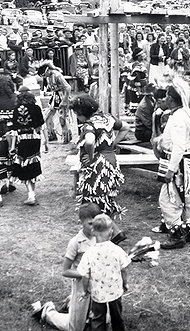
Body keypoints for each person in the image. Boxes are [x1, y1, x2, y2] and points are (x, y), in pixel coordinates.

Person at [154, 77, 190, 249]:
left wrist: (170, 170)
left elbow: (178, 146)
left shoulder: (177, 118)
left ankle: (177, 235)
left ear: (171, 99)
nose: (165, 98)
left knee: (168, 199)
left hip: (180, 163)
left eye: (168, 96)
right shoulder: (188, 113)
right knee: (189, 196)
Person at [40, 203, 103, 331]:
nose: (94, 227)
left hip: (98, 285)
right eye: (90, 223)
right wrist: (84, 273)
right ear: (81, 222)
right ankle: (48, 312)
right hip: (81, 287)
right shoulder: (75, 243)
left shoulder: (101, 237)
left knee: (102, 320)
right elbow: (65, 271)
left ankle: (71, 304)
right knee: (75, 328)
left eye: (96, 223)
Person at [70, 94, 130, 220]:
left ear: (82, 112)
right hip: (111, 162)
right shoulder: (108, 119)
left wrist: (91, 157)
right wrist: (113, 143)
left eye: (77, 114)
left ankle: (102, 229)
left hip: (98, 166)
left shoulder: (89, 125)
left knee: (94, 198)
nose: (77, 117)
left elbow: (90, 141)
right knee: (106, 196)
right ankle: (111, 230)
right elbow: (125, 127)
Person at [74, 214, 130, 331]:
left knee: (98, 318)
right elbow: (123, 269)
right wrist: (125, 284)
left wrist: (85, 291)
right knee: (117, 317)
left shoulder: (89, 253)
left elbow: (85, 275)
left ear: (93, 231)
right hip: (115, 291)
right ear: (111, 232)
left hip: (97, 293)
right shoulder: (117, 250)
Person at [10, 86, 44, 205]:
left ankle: (31, 194)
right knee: (33, 163)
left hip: (22, 140)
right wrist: (45, 142)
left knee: (24, 165)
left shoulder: (15, 110)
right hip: (35, 138)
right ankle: (32, 194)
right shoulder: (36, 108)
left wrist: (13, 146)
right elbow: (40, 126)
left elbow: (14, 131)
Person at [40, 62, 72, 144]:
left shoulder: (57, 75)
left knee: (63, 118)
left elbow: (68, 87)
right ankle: (51, 134)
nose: (44, 76)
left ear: (48, 71)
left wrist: (64, 100)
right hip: (55, 97)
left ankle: (66, 136)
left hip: (62, 96)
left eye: (44, 74)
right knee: (47, 117)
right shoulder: (48, 77)